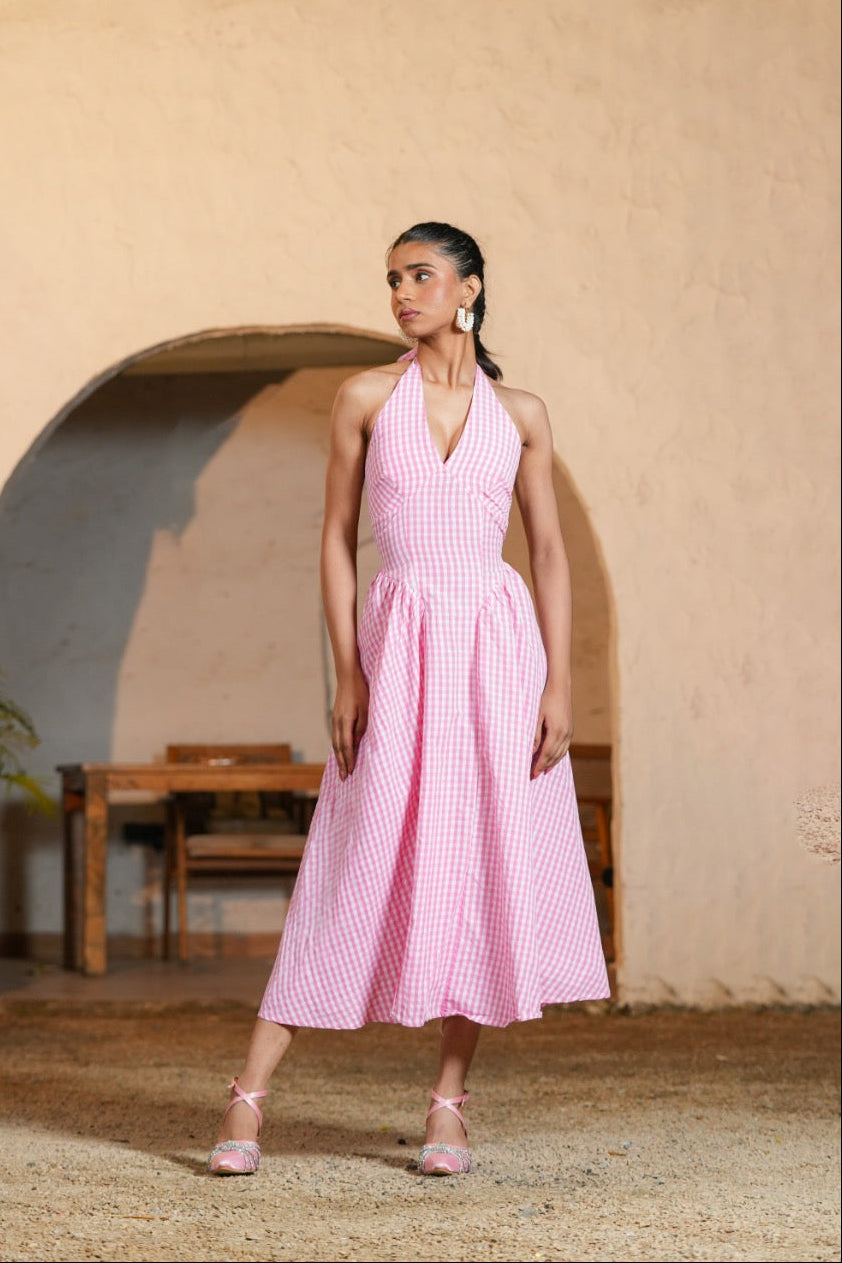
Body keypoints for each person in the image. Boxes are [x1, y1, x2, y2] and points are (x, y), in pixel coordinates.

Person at [207, 221, 610, 1178]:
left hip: (498, 652)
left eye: (420, 276)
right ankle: (248, 1096)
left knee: (483, 861)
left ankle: (447, 1106)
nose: (401, 293)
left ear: (469, 287)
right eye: (392, 279)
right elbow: (338, 539)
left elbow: (548, 551)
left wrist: (561, 679)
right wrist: (348, 669)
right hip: (400, 645)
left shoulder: (522, 412)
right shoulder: (365, 397)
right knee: (351, 855)